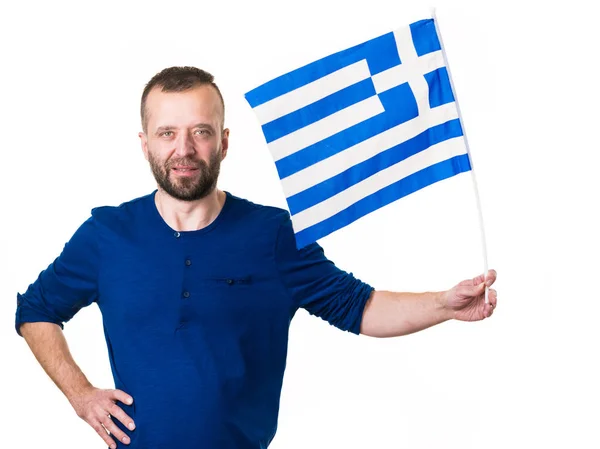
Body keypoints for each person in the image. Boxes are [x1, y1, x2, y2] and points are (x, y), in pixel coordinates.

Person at [15, 66, 498, 449]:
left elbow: (361, 307)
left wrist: (444, 305)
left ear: (224, 141)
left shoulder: (272, 236)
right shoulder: (106, 236)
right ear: (145, 145)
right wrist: (81, 395)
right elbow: (36, 310)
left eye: (200, 131)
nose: (183, 149)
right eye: (167, 133)